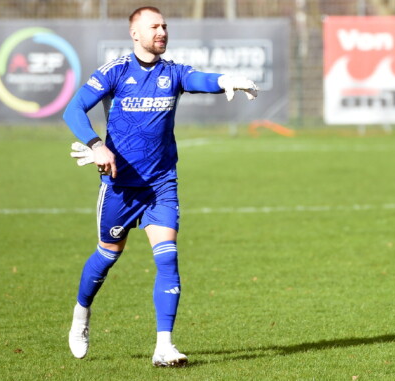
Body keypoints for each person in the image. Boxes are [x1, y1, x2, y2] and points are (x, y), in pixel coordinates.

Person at [63, 6, 258, 367]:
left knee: (168, 256)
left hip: (161, 184)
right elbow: (74, 109)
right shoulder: (116, 71)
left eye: (165, 26)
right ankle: (81, 315)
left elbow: (201, 78)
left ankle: (164, 346)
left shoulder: (173, 73)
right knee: (107, 256)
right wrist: (96, 145)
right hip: (121, 186)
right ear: (134, 33)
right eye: (154, 26)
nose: (162, 31)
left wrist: (226, 80)